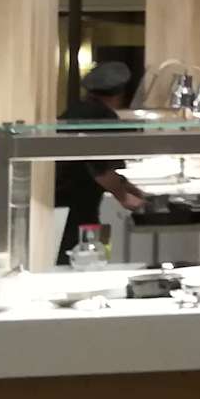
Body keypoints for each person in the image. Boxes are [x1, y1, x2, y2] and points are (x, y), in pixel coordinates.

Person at [54, 60, 147, 265]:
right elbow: (102, 170)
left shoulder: (75, 110)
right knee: (85, 257)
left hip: (61, 201)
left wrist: (128, 187)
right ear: (119, 94)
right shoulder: (104, 117)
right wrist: (123, 197)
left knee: (69, 255)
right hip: (78, 204)